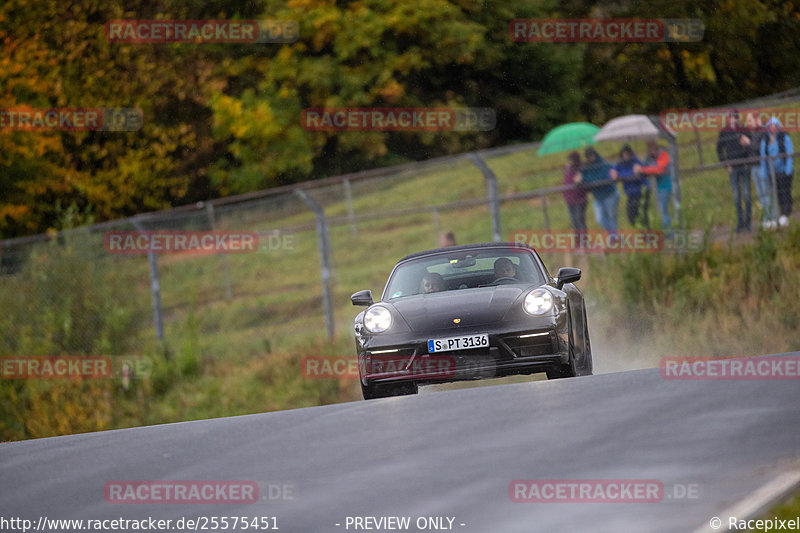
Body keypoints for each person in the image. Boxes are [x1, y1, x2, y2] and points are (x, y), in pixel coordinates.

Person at [717, 110, 753, 232]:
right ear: (728, 119)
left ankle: (748, 223)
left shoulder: (744, 129)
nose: (732, 120)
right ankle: (740, 223)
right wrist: (726, 164)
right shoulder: (724, 132)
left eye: (734, 117)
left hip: (745, 166)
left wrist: (748, 160)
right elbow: (719, 149)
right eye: (730, 117)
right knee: (737, 196)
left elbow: (751, 144)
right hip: (733, 168)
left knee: (747, 195)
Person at [760, 117, 794, 228]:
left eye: (775, 126)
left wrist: (788, 170)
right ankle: (782, 214)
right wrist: (764, 173)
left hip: (784, 171)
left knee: (785, 192)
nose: (773, 129)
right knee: (777, 193)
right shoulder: (765, 139)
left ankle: (786, 214)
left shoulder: (784, 137)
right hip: (772, 173)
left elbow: (789, 153)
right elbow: (763, 157)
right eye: (771, 126)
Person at [634, 140, 672, 231]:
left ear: (656, 146)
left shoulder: (664, 155)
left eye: (652, 146)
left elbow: (658, 170)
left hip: (665, 187)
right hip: (655, 188)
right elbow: (646, 169)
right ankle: (667, 231)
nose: (650, 149)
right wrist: (638, 168)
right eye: (648, 147)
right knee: (660, 211)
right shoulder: (649, 158)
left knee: (663, 211)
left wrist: (642, 169)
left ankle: (668, 233)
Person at [610, 145, 650, 228]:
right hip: (630, 193)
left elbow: (637, 172)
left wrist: (621, 175)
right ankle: (641, 231)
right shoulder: (620, 164)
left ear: (631, 154)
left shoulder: (636, 161)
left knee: (641, 213)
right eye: (624, 154)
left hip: (641, 191)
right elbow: (612, 173)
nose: (626, 156)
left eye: (627, 154)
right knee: (631, 216)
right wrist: (613, 173)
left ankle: (646, 233)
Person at [582, 147, 619, 232]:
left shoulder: (603, 163)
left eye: (592, 155)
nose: (591, 158)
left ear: (595, 154)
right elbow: (583, 178)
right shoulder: (586, 167)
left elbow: (603, 176)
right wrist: (591, 180)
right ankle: (613, 234)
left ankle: (614, 238)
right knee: (600, 219)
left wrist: (591, 180)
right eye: (588, 157)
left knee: (611, 216)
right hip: (597, 197)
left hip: (609, 194)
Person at [749, 113, 775, 229]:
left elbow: (762, 148)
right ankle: (766, 217)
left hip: (762, 166)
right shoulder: (752, 133)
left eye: (752, 120)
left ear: (757, 120)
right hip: (753, 166)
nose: (750, 122)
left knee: (766, 192)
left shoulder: (764, 131)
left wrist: (749, 143)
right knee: (760, 194)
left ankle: (772, 218)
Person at [562, 151, 587, 232]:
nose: (570, 162)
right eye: (569, 160)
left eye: (571, 160)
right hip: (569, 199)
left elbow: (584, 185)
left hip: (580, 199)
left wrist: (579, 180)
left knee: (580, 220)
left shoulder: (581, 168)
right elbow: (566, 182)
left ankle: (584, 241)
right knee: (574, 222)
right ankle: (578, 241)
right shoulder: (567, 169)